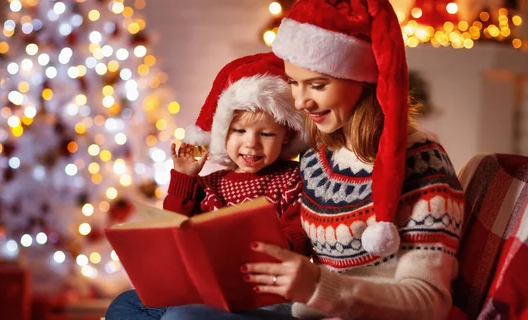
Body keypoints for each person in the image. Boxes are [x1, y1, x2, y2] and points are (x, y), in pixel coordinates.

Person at [160, 0, 466, 319]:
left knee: (184, 317)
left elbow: (430, 302)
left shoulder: (422, 162)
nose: (301, 101)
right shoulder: (319, 155)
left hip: (341, 311)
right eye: (293, 82)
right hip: (304, 308)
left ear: (363, 82)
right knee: (130, 305)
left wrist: (318, 286)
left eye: (317, 85)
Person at [105, 52, 311, 319]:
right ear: (223, 132)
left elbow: (299, 233)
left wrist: (266, 246)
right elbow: (173, 231)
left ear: (287, 136)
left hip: (267, 299)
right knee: (124, 306)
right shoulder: (210, 185)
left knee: (180, 317)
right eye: (239, 131)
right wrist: (185, 178)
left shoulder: (293, 179)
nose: (251, 143)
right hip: (206, 296)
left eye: (267, 134)